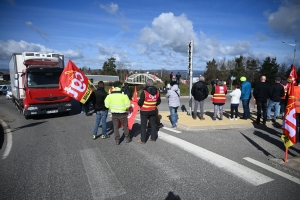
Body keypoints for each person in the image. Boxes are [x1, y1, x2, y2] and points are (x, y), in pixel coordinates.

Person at [138, 79, 161, 143]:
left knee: (143, 125)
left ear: (146, 84)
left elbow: (140, 102)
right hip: (152, 110)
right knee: (153, 124)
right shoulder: (157, 91)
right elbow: (159, 101)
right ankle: (153, 138)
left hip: (144, 111)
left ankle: (143, 140)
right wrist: (153, 104)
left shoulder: (144, 92)